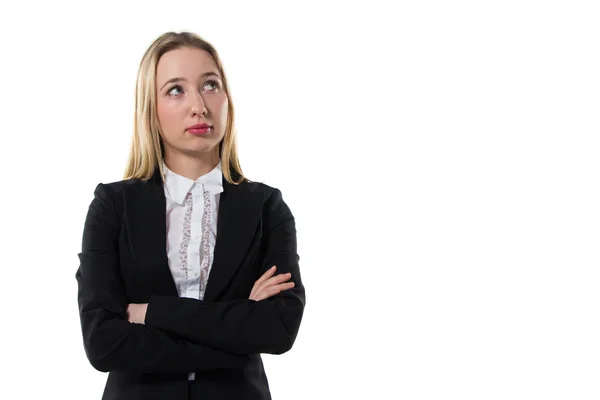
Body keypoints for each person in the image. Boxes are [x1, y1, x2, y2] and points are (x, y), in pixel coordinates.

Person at [75, 31, 306, 400]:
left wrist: (153, 314)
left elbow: (278, 329)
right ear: (151, 108)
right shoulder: (112, 205)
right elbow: (103, 343)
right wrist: (237, 329)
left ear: (228, 98)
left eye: (210, 85)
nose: (198, 105)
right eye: (175, 90)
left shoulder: (266, 206)